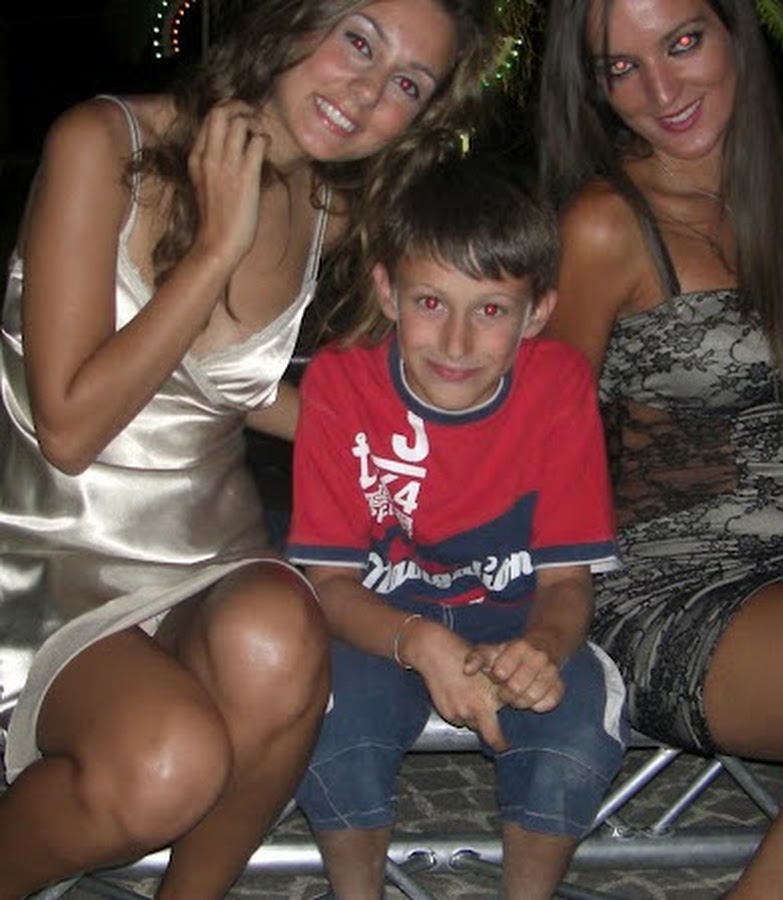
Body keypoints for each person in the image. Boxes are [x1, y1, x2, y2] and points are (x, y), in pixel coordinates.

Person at [0, 1, 499, 897]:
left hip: (206, 550)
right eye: (358, 41)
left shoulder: (325, 206)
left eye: (406, 84)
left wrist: (422, 448)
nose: (366, 92)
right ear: (293, 20)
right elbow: (69, 429)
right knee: (166, 763)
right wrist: (216, 249)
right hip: (48, 556)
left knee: (279, 635)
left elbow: (222, 381)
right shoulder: (103, 143)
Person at [538, 0, 783, 897]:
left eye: (683, 42)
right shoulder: (603, 225)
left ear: (736, 32)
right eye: (622, 67)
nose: (660, 90)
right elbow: (537, 450)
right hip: (666, 592)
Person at [286, 155, 627, 900]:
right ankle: (355, 890)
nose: (457, 342)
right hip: (377, 622)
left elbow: (567, 582)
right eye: (431, 303)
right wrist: (417, 640)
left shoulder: (560, 383)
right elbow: (331, 586)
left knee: (576, 727)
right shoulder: (339, 381)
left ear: (537, 313)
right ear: (388, 291)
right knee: (325, 717)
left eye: (492, 310)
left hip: (517, 618)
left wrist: (542, 649)